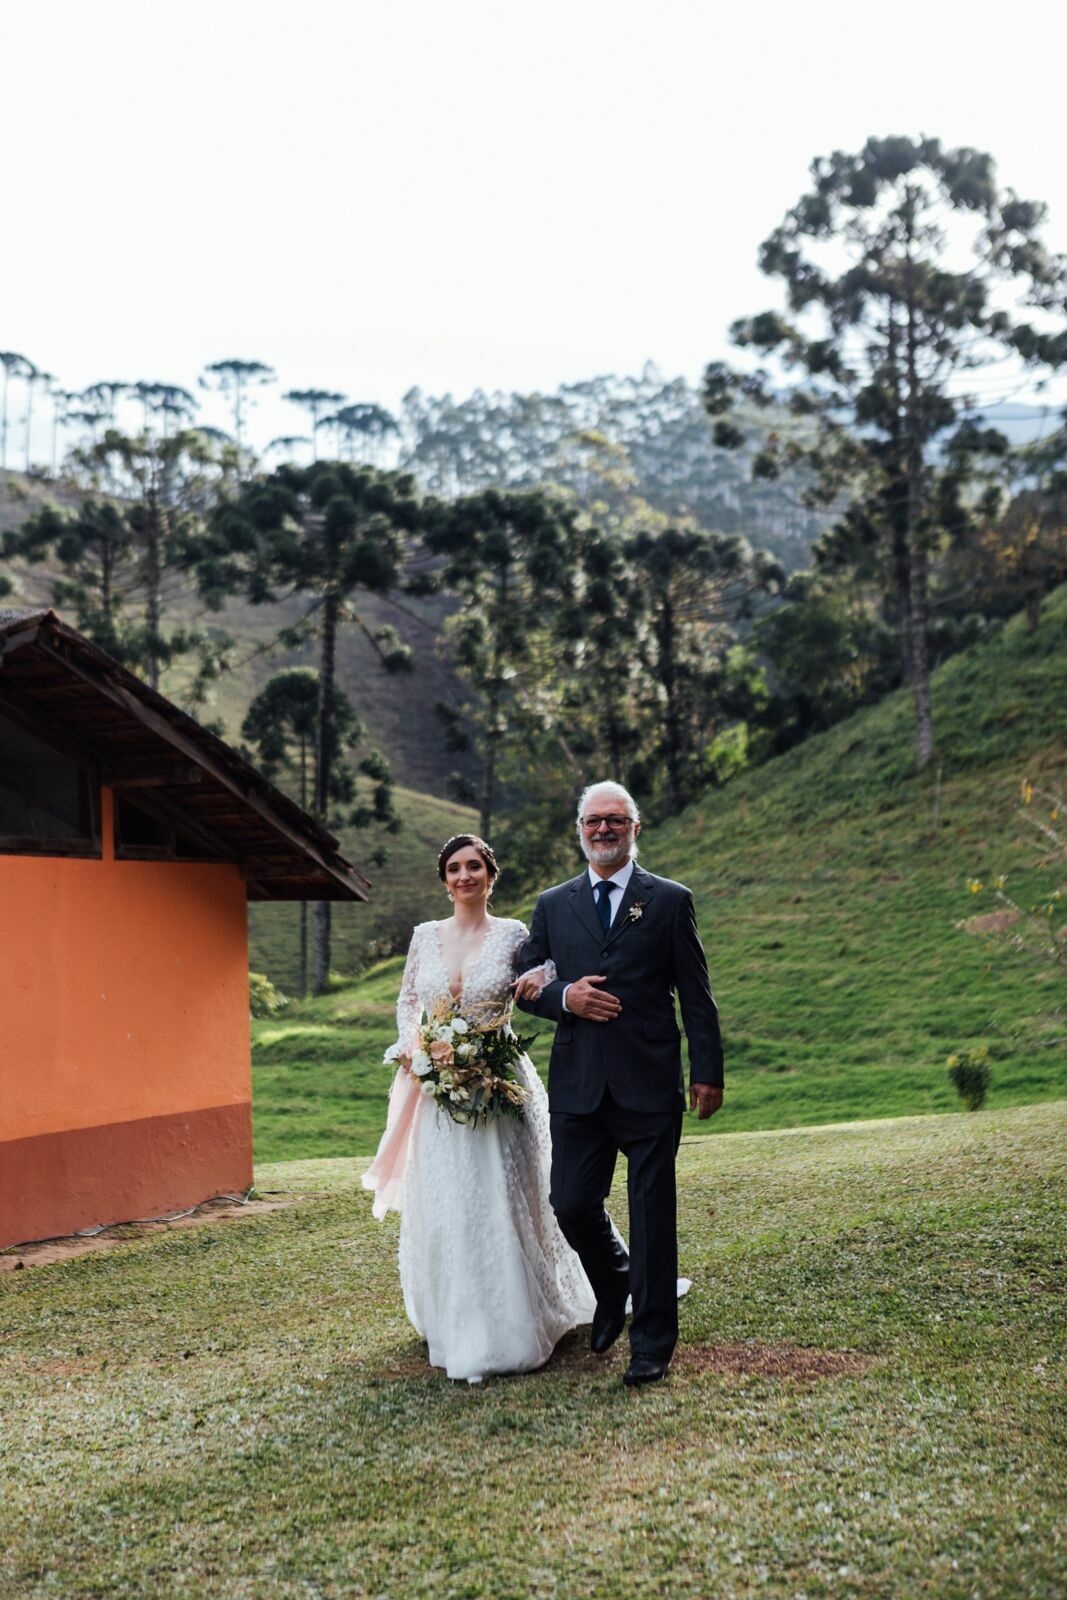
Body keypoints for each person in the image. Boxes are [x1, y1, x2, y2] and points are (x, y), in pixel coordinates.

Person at [362, 834, 597, 1382]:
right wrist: (414, 1048)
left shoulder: (515, 933)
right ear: (444, 880)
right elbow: (408, 1002)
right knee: (454, 1199)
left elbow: (544, 975)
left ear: (491, 875)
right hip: (439, 1089)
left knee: (505, 1193)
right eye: (453, 868)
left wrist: (545, 980)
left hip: (501, 1083)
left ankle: (522, 1320)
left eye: (474, 867)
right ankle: (457, 1321)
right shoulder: (424, 936)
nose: (464, 876)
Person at [515, 780, 723, 1387]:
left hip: (650, 1081)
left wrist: (707, 1071)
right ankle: (612, 1284)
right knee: (571, 1202)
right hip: (579, 1082)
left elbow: (697, 993)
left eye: (615, 820)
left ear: (636, 828)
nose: (602, 829)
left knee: (653, 1213)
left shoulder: (669, 900)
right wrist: (565, 997)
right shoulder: (554, 904)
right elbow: (525, 985)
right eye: (592, 821)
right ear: (579, 830)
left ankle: (652, 1343)